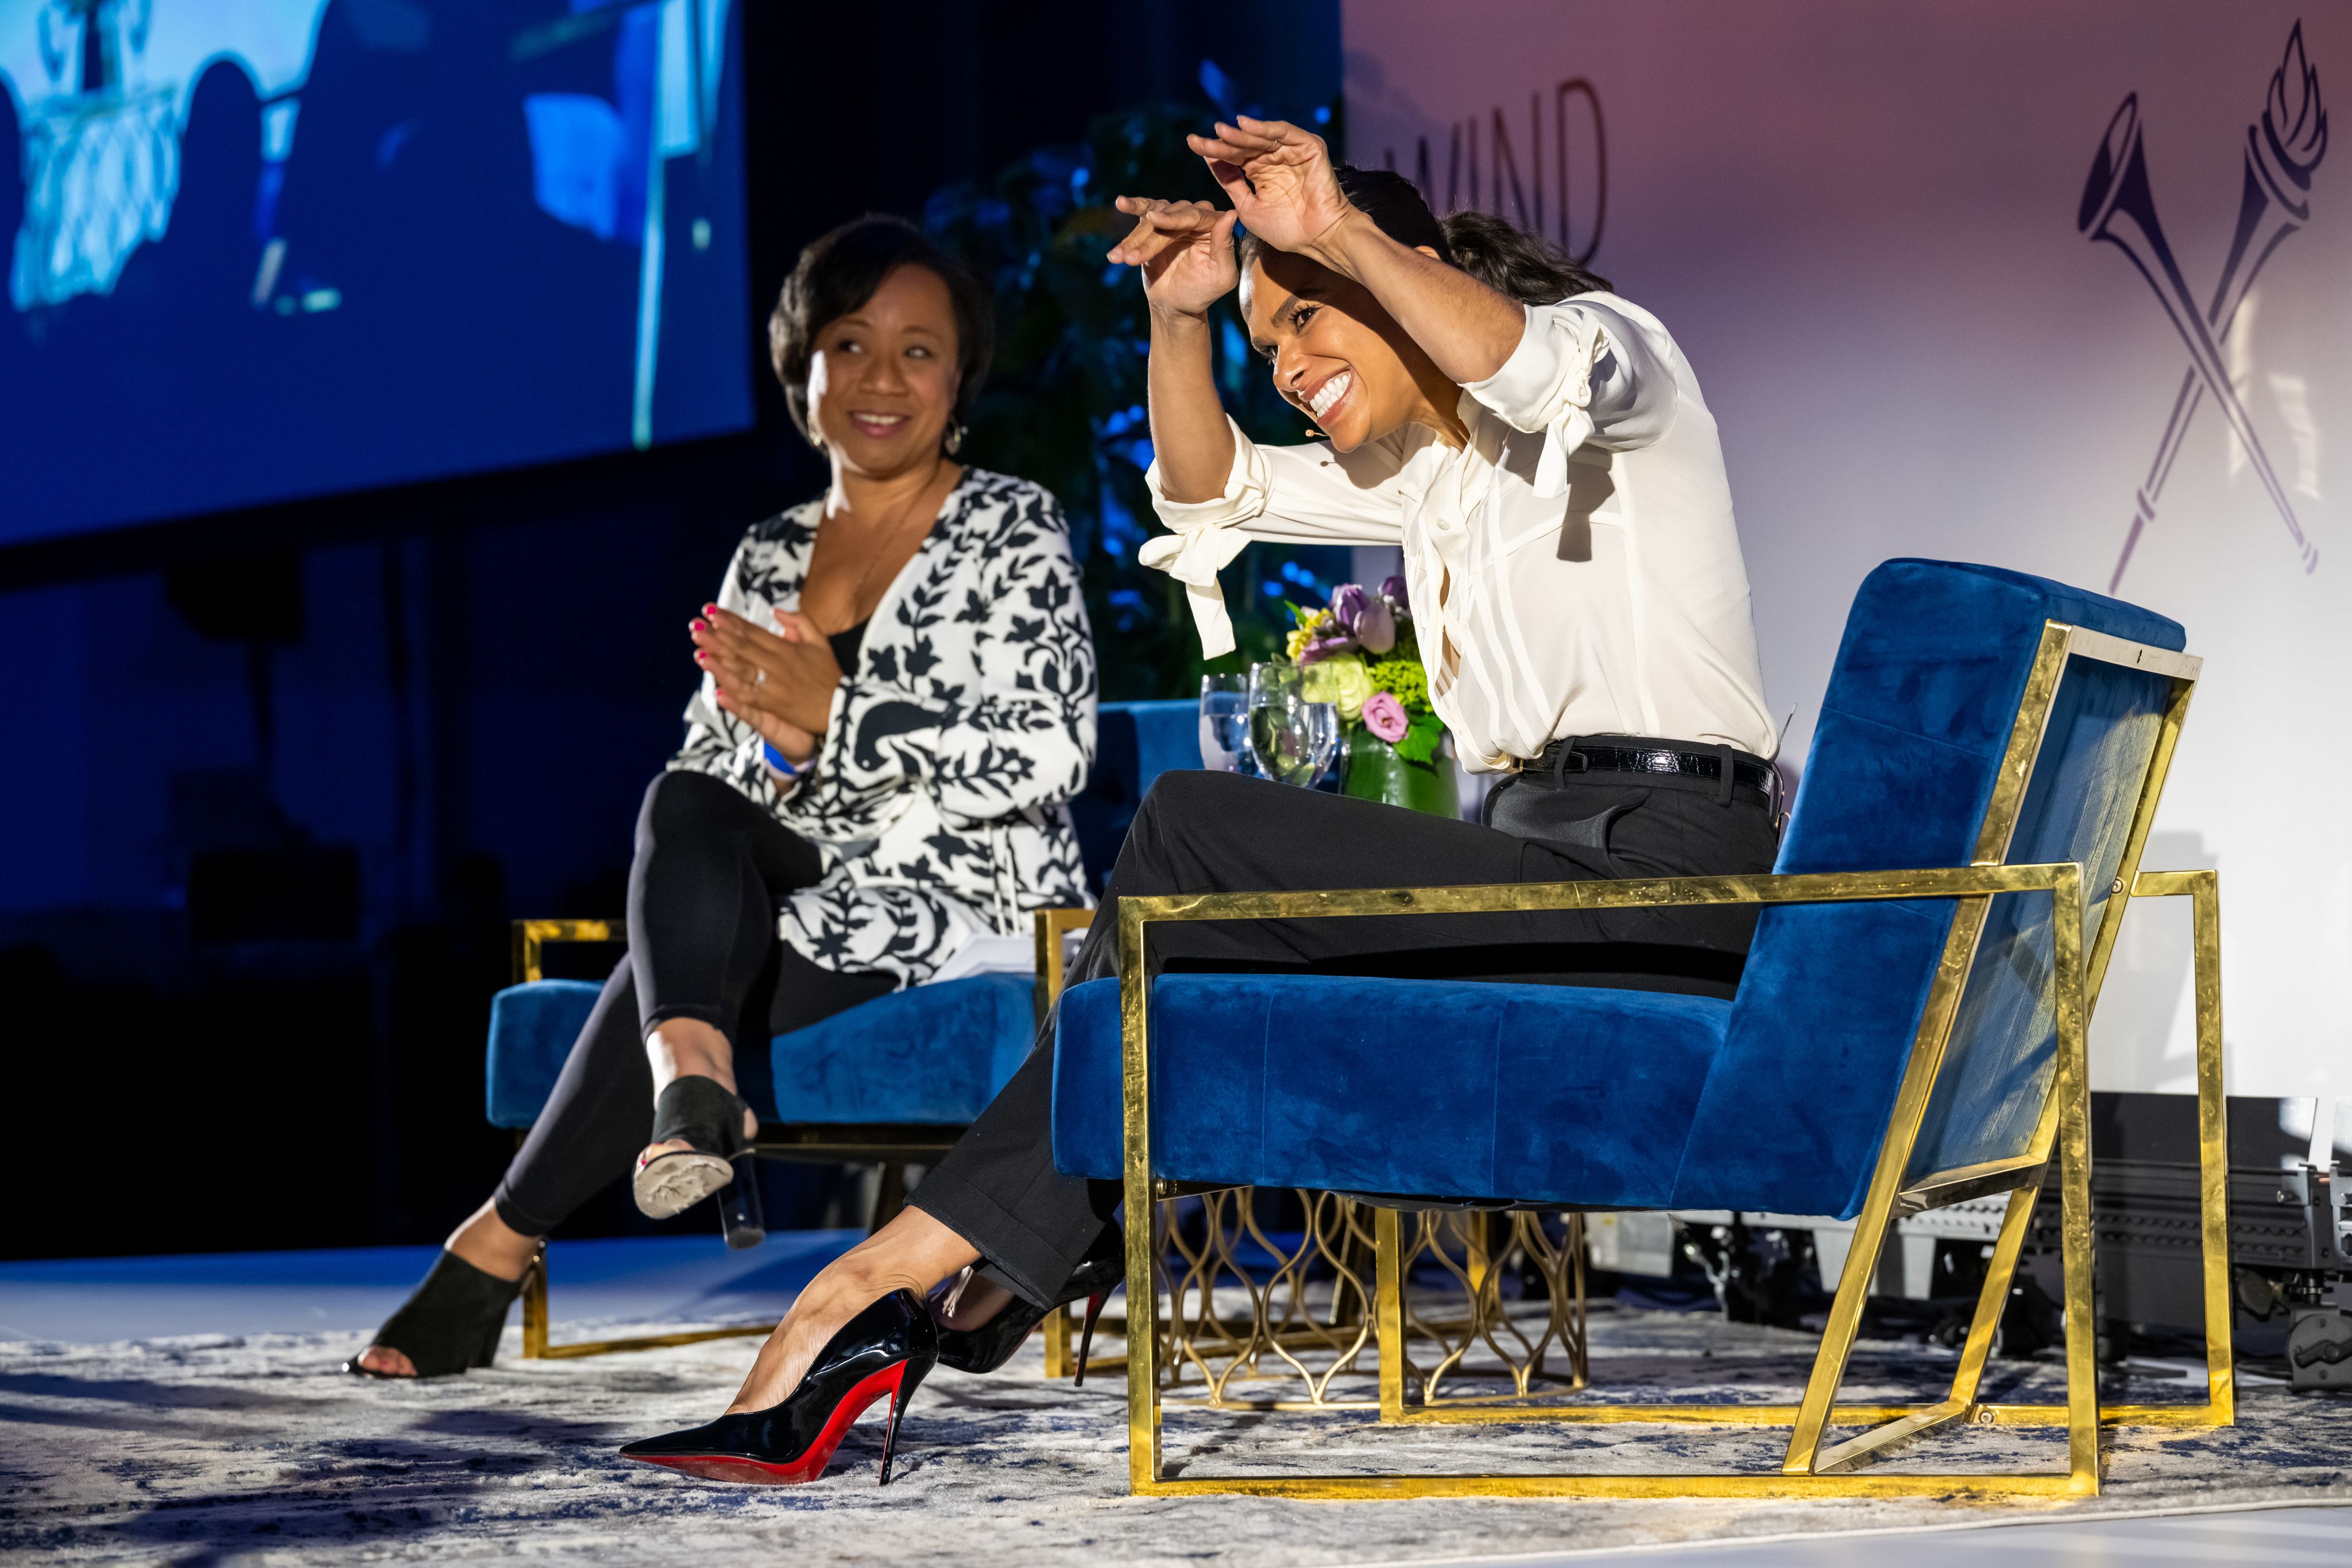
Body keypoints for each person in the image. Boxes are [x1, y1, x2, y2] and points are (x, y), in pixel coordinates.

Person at [618, 118, 1780, 1485]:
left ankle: (907, 1272)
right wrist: (1179, 318)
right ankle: (964, 1260)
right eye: (1266, 344)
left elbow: (1510, 359)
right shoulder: (1423, 476)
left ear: (1396, 265)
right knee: (1180, 929)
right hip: (1520, 865)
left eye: (1300, 324)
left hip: (1666, 871)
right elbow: (1206, 484)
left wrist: (1330, 223)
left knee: (1186, 826)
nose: (1285, 371)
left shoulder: (1615, 354)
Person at [350, 215, 1097, 1379]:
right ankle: (694, 1080)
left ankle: (494, 1245)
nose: (879, 378)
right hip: (804, 869)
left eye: (915, 350)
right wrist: (796, 751)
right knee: (684, 800)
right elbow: (719, 755)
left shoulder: (1011, 525)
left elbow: (1050, 752)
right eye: (848, 345)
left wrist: (837, 715)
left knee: (684, 946)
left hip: (970, 892)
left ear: (960, 378)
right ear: (802, 371)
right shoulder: (766, 551)